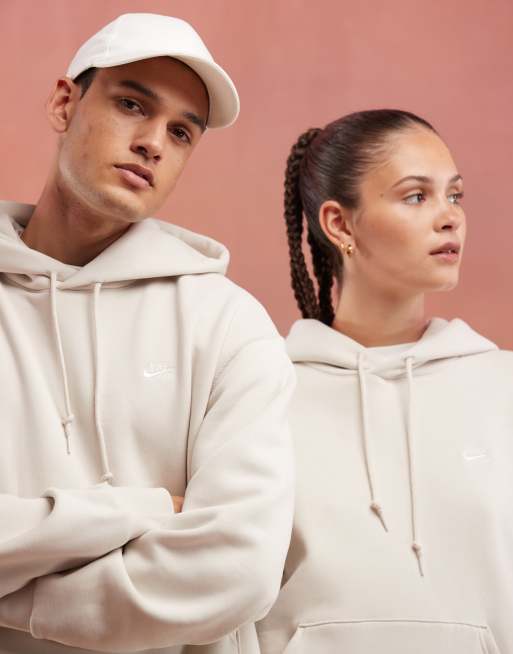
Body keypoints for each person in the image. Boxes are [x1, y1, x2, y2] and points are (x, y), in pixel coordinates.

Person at [0, 13, 295, 654]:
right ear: (64, 103)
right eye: (132, 105)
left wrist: (16, 603)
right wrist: (147, 509)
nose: (154, 143)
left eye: (181, 132)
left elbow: (237, 571)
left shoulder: (230, 324)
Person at [256, 109, 512, 653]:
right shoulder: (261, 392)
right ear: (339, 224)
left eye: (455, 195)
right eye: (416, 196)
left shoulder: (502, 387)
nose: (450, 217)